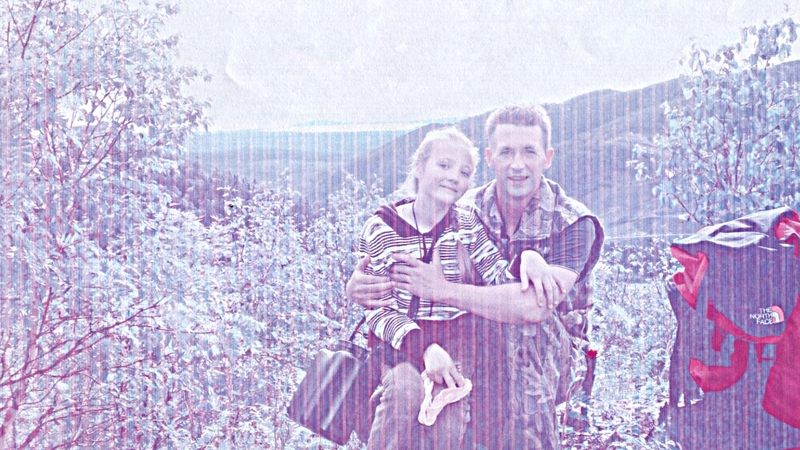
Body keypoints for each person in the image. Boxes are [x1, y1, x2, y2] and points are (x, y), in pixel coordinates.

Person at [348, 104, 604, 449]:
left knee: (522, 324)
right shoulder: (464, 209)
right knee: (416, 388)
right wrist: (361, 285)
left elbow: (532, 308)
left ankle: (526, 441)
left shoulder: (574, 223)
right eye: (506, 152)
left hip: (551, 354)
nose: (517, 164)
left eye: (529, 152)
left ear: (547, 158)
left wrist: (444, 290)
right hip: (450, 338)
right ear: (490, 158)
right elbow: (414, 218)